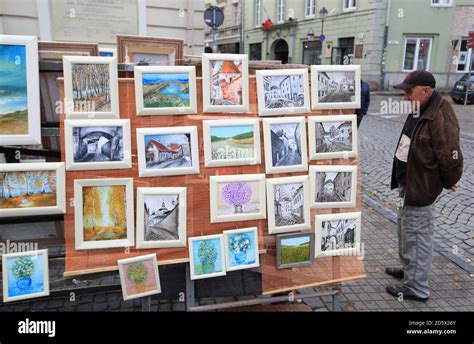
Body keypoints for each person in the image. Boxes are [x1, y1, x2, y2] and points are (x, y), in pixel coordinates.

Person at [385, 70, 463, 302]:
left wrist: (450, 180)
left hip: (421, 187)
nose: (406, 97)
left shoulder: (440, 115)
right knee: (406, 230)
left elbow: (451, 154)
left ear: (426, 90)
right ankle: (410, 270)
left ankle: (417, 288)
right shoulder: (422, 107)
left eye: (409, 91)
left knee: (417, 235)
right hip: (408, 183)